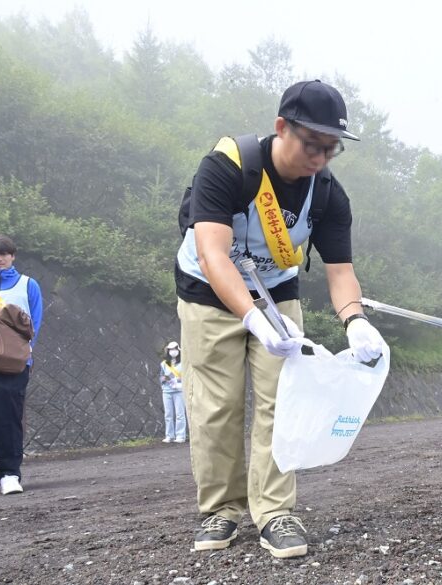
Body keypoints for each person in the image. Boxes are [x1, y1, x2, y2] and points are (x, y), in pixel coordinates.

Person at [175, 80, 385, 558]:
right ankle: (222, 510)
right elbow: (212, 253)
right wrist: (251, 319)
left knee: (282, 399)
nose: (320, 157)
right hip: (208, 291)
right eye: (312, 144)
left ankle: (274, 512)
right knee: (215, 405)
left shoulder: (329, 193)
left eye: (331, 149)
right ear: (281, 128)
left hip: (277, 293)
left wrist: (354, 320)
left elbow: (340, 271)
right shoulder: (228, 166)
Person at [0, 235, 43, 495]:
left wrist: (26, 354)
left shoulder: (28, 284)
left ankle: (9, 474)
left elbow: (35, 323)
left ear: (13, 256)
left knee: (9, 417)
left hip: (14, 364)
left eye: (4, 253)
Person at [159, 341, 186, 443]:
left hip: (179, 391)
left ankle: (180, 436)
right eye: (171, 350)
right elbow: (161, 377)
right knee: (168, 414)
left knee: (180, 414)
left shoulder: (184, 362)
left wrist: (177, 381)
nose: (173, 351)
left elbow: (186, 376)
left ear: (178, 350)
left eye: (175, 349)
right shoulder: (164, 363)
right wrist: (167, 379)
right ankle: (169, 435)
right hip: (167, 391)